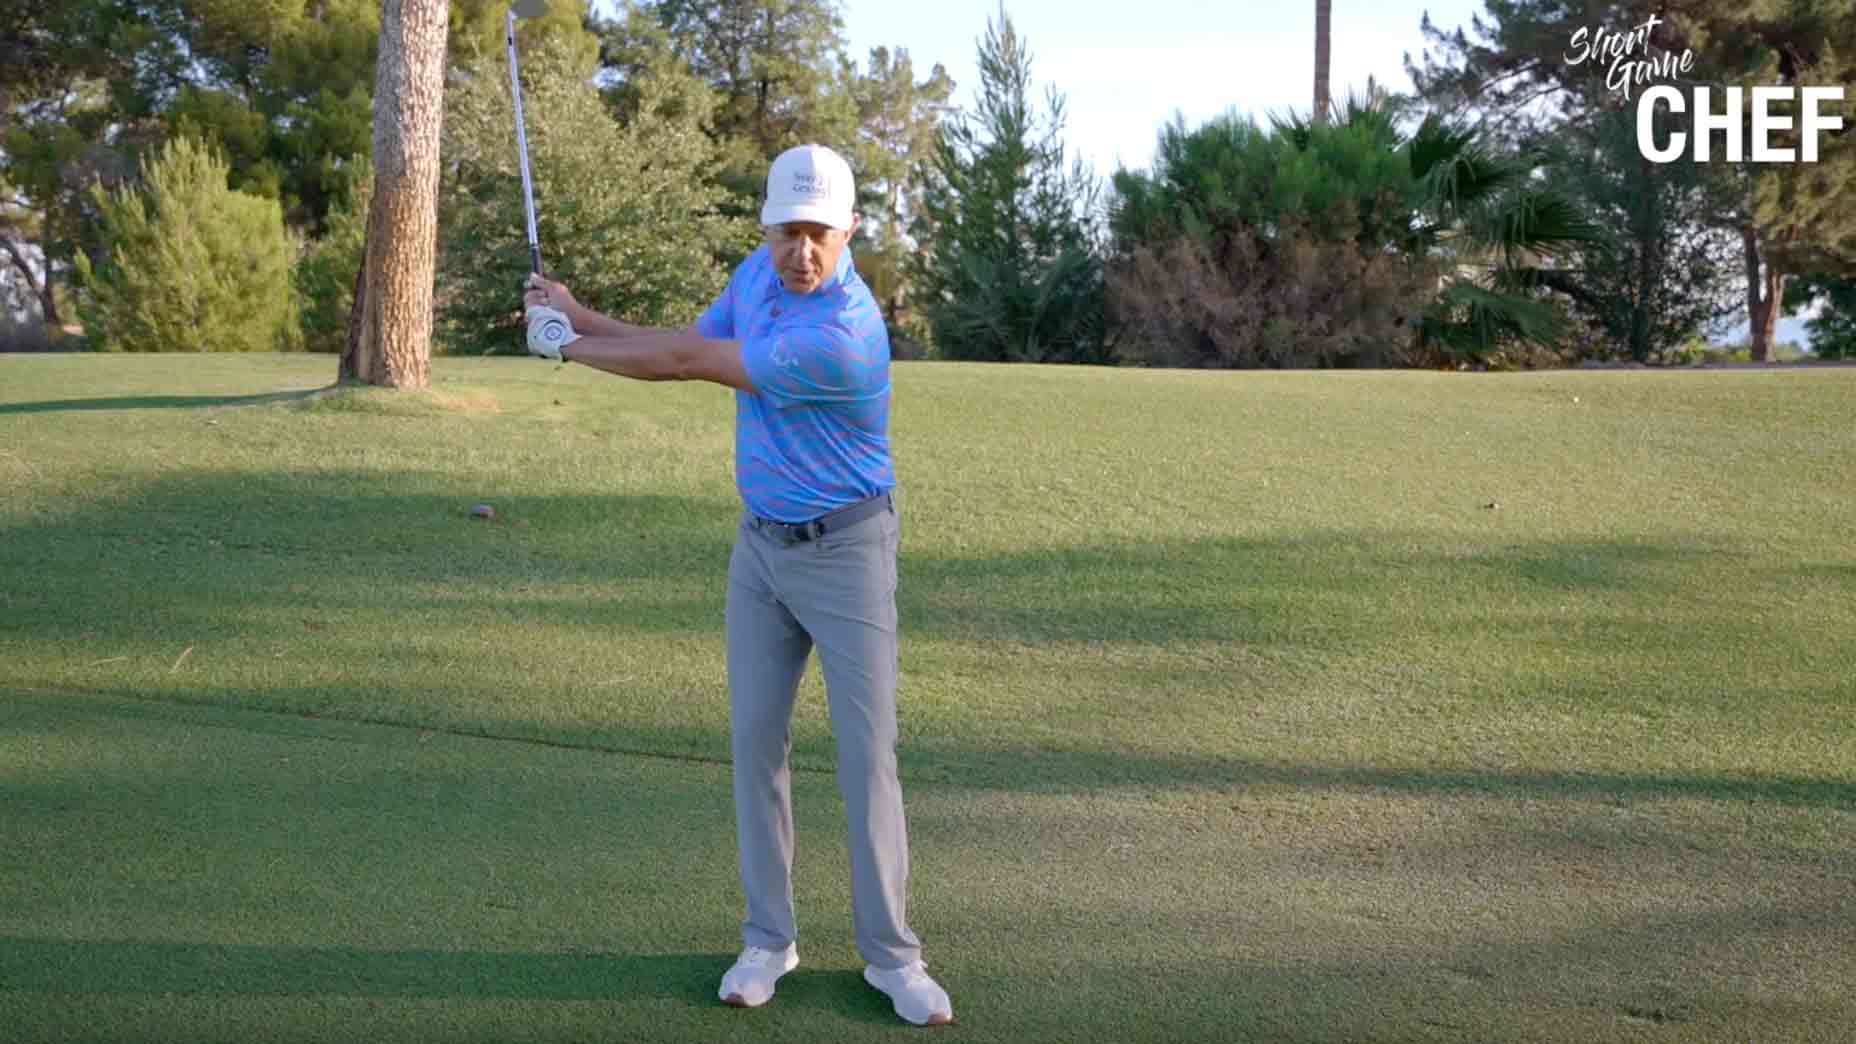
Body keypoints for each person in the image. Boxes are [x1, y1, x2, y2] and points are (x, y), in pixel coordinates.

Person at [520, 144, 953, 1028]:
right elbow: (688, 341)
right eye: (787, 231)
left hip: (848, 553)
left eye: (818, 234)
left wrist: (567, 348)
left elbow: (688, 366)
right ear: (766, 228)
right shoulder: (757, 273)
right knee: (756, 744)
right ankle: (770, 939)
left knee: (867, 761)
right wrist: (576, 315)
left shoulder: (843, 338)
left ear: (850, 231)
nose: (800, 251)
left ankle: (891, 958)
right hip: (760, 553)